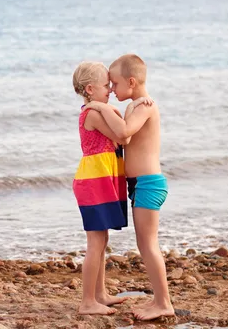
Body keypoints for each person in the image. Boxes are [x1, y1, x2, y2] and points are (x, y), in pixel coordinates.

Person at [85, 54, 175, 321]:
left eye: (114, 83)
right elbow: (123, 140)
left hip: (149, 183)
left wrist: (97, 107)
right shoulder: (134, 106)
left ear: (132, 82)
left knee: (148, 244)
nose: (111, 89)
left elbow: (124, 133)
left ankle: (163, 303)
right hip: (138, 184)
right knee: (144, 243)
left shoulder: (145, 107)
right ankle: (160, 301)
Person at [72, 61, 152, 315]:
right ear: (89, 89)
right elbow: (123, 137)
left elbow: (119, 125)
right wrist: (101, 107)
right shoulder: (93, 113)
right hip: (94, 181)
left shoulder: (99, 109)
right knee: (95, 241)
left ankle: (100, 294)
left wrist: (132, 105)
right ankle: (87, 302)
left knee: (102, 239)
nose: (109, 90)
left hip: (102, 180)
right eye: (106, 86)